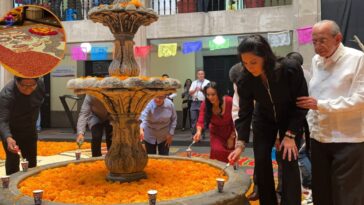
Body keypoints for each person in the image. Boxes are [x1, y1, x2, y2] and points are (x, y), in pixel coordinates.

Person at [228, 34, 308, 205]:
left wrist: (290, 135)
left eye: (253, 62)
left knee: (289, 159)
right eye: (245, 63)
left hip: (289, 117)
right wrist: (240, 143)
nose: (249, 67)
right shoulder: (245, 79)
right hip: (263, 118)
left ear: (265, 56)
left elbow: (301, 103)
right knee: (262, 160)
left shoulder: (289, 69)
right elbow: (245, 112)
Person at [296, 20, 364, 205]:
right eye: (314, 41)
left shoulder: (358, 59)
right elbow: (314, 94)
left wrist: (321, 105)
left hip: (348, 139)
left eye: (323, 41)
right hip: (319, 137)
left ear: (338, 38)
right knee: (321, 190)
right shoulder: (316, 60)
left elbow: (361, 99)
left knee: (347, 193)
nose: (318, 47)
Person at [0, 77, 45, 175]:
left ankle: (31, 185)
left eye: (32, 85)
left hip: (30, 128)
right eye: (24, 86)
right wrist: (8, 138)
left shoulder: (40, 85)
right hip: (12, 131)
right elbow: (3, 120)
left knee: (31, 161)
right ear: (16, 82)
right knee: (13, 159)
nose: (28, 89)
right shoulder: (6, 95)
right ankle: (10, 188)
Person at [230, 62, 260, 201]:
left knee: (281, 159)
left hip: (274, 122)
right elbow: (239, 111)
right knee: (260, 157)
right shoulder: (239, 84)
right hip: (254, 120)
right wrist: (240, 142)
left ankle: (280, 191)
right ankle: (258, 188)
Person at [193, 82, 235, 163]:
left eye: (213, 94)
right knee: (217, 151)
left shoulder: (229, 101)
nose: (210, 97)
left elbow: (236, 121)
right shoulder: (205, 104)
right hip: (216, 132)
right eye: (208, 95)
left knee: (230, 156)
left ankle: (228, 174)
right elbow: (201, 119)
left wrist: (232, 137)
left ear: (218, 93)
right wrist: (198, 132)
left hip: (230, 132)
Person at [189, 69, 210, 138]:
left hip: (203, 102)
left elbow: (209, 93)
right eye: (199, 74)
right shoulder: (194, 82)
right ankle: (194, 134)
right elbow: (190, 93)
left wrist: (201, 89)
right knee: (193, 119)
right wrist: (195, 89)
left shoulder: (207, 82)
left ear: (204, 75)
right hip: (194, 102)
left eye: (202, 74)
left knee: (202, 119)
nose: (201, 75)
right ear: (197, 75)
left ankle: (202, 133)